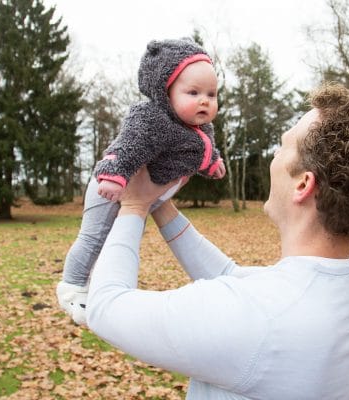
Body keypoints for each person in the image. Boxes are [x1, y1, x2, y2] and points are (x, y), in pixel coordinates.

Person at [86, 83, 349, 399]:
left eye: (284, 145)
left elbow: (106, 307)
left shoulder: (262, 317)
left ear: (303, 185)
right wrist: (160, 204)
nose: (274, 155)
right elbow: (230, 276)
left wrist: (133, 205)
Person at [56, 38, 225, 325]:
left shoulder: (200, 128)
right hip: (111, 186)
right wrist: (115, 174)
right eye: (193, 92)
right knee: (93, 237)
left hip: (146, 197)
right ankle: (71, 286)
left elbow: (204, 147)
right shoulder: (151, 118)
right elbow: (128, 145)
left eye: (211, 93)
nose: (205, 100)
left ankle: (96, 286)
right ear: (165, 92)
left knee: (112, 243)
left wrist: (212, 163)